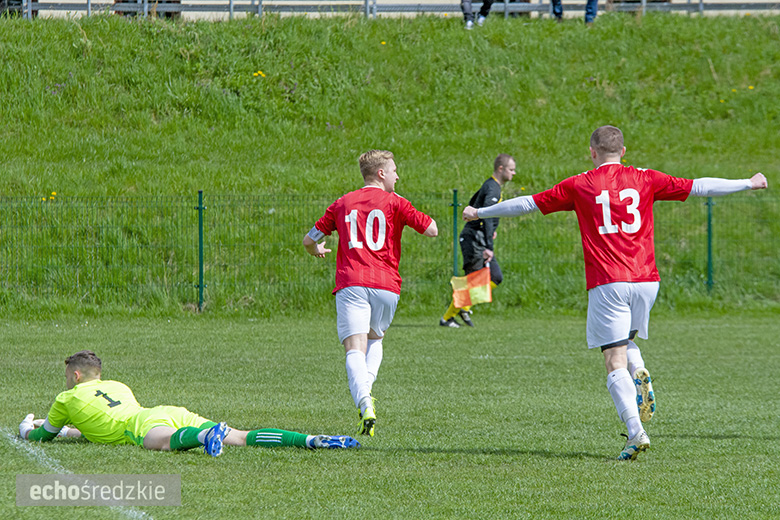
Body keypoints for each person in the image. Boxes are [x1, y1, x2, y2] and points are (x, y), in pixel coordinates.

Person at [463, 125, 768, 460]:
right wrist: (748, 183)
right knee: (627, 342)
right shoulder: (646, 177)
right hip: (646, 281)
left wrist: (480, 211)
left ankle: (635, 432)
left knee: (612, 359)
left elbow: (526, 205)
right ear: (623, 151)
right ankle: (639, 370)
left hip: (609, 282)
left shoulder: (580, 184)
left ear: (592, 152)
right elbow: (700, 187)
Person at [303, 150, 438, 437]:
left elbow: (309, 239)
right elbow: (431, 230)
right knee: (375, 338)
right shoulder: (396, 202)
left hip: (351, 283)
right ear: (381, 173)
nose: (397, 176)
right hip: (387, 286)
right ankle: (368, 395)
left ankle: (364, 400)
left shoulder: (342, 203)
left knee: (354, 347)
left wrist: (317, 249)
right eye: (394, 171)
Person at [19, 350, 359, 455]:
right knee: (239, 435)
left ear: (76, 376)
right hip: (164, 411)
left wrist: (26, 429)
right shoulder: (117, 386)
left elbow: (43, 437)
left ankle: (201, 438)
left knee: (164, 443)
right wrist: (70, 432)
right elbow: (93, 428)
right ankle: (311, 439)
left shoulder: (66, 398)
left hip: (140, 425)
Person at [440, 154, 516, 328]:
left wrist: (489, 231)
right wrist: (488, 243)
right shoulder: (492, 188)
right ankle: (448, 318)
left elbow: (473, 205)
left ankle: (463, 307)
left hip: (478, 237)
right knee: (472, 281)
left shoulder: (491, 186)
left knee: (494, 276)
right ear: (501, 168)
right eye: (511, 169)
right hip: (475, 241)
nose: (514, 173)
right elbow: (486, 216)